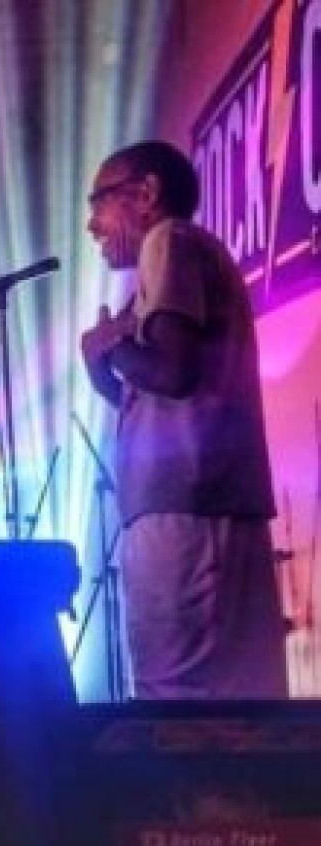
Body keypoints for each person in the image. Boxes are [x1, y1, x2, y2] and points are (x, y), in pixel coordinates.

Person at [80, 140, 287, 699]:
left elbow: (173, 373)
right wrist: (104, 362)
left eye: (99, 203)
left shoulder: (169, 240)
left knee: (178, 701)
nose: (92, 226)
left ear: (146, 193)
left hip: (188, 515)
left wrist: (110, 344)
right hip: (205, 511)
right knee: (239, 700)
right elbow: (155, 395)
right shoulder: (181, 256)